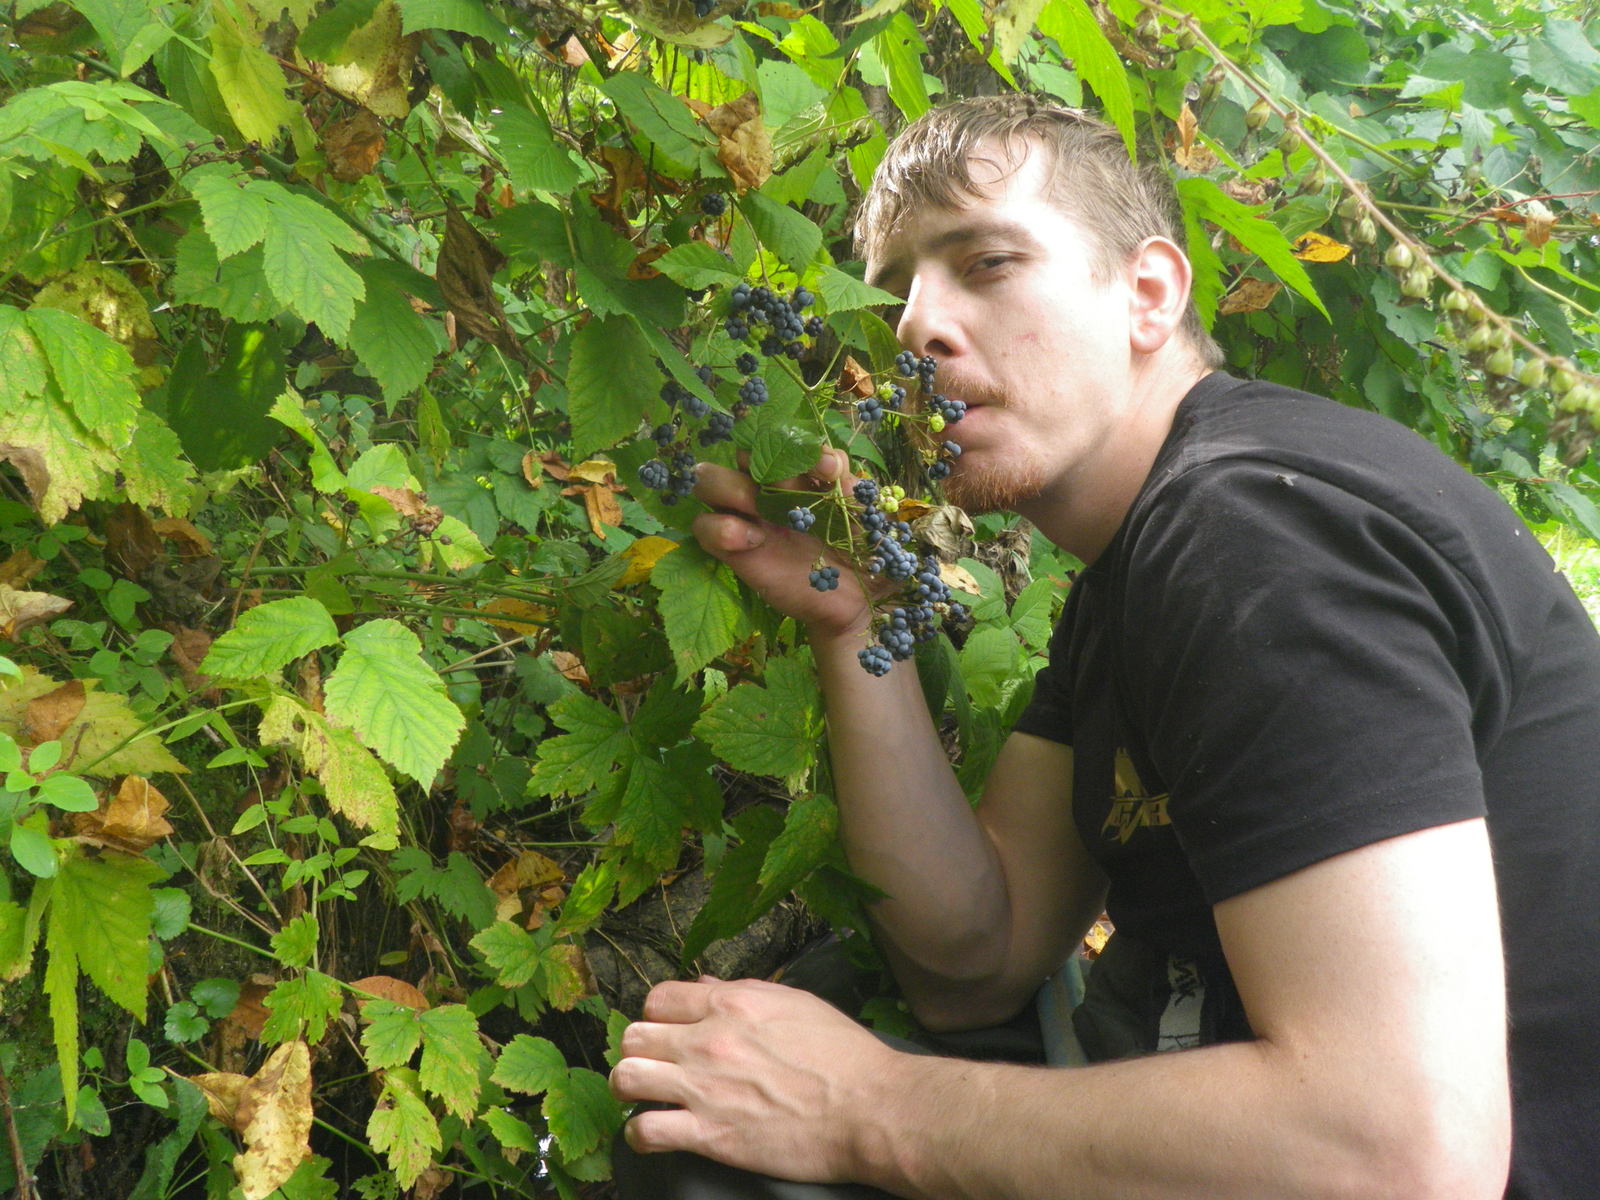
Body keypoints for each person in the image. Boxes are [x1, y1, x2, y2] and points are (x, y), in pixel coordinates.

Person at [607, 94, 1600, 1199]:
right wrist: (856, 625)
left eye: (983, 263)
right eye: (895, 291)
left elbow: (1394, 1153)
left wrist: (869, 1109)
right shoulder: (1136, 575)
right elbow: (975, 961)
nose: (914, 327)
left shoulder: (1253, 538)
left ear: (1147, 294)